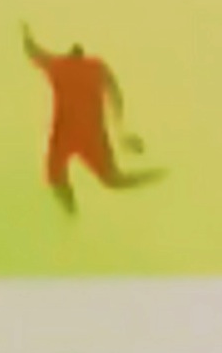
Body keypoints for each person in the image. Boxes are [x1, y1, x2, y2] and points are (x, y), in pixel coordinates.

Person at [23, 23, 166, 216]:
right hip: (84, 134)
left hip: (68, 134)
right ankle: (160, 176)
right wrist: (121, 129)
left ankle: (70, 217)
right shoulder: (90, 66)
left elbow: (32, 51)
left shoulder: (61, 65)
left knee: (58, 178)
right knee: (109, 180)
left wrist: (25, 32)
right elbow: (115, 96)